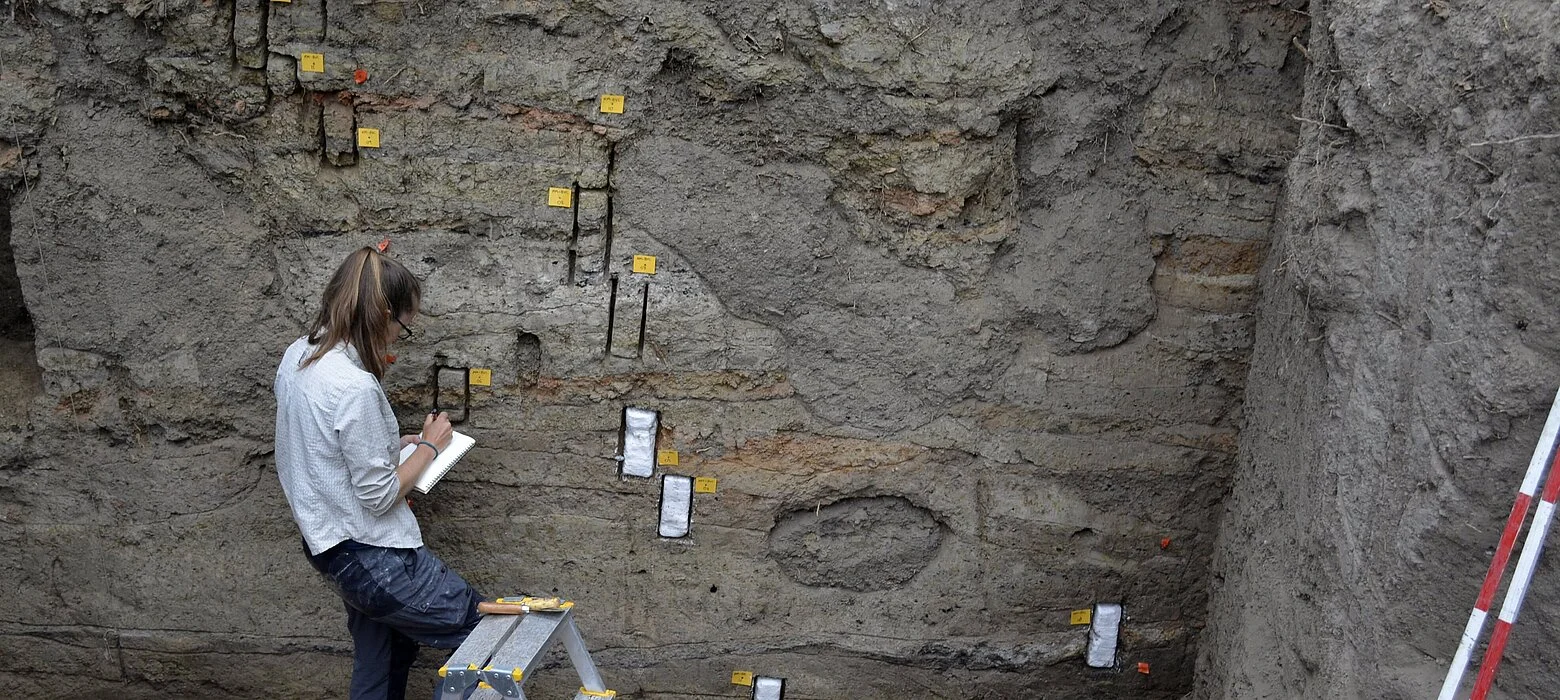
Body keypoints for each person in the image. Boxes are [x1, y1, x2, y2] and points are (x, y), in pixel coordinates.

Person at [273, 246, 483, 700]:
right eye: (403, 328)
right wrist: (429, 446)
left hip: (331, 547)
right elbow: (380, 496)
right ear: (381, 315)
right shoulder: (354, 388)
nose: (395, 340)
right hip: (375, 557)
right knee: (480, 634)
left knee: (383, 655)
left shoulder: (299, 356)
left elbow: (321, 448)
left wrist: (393, 446)